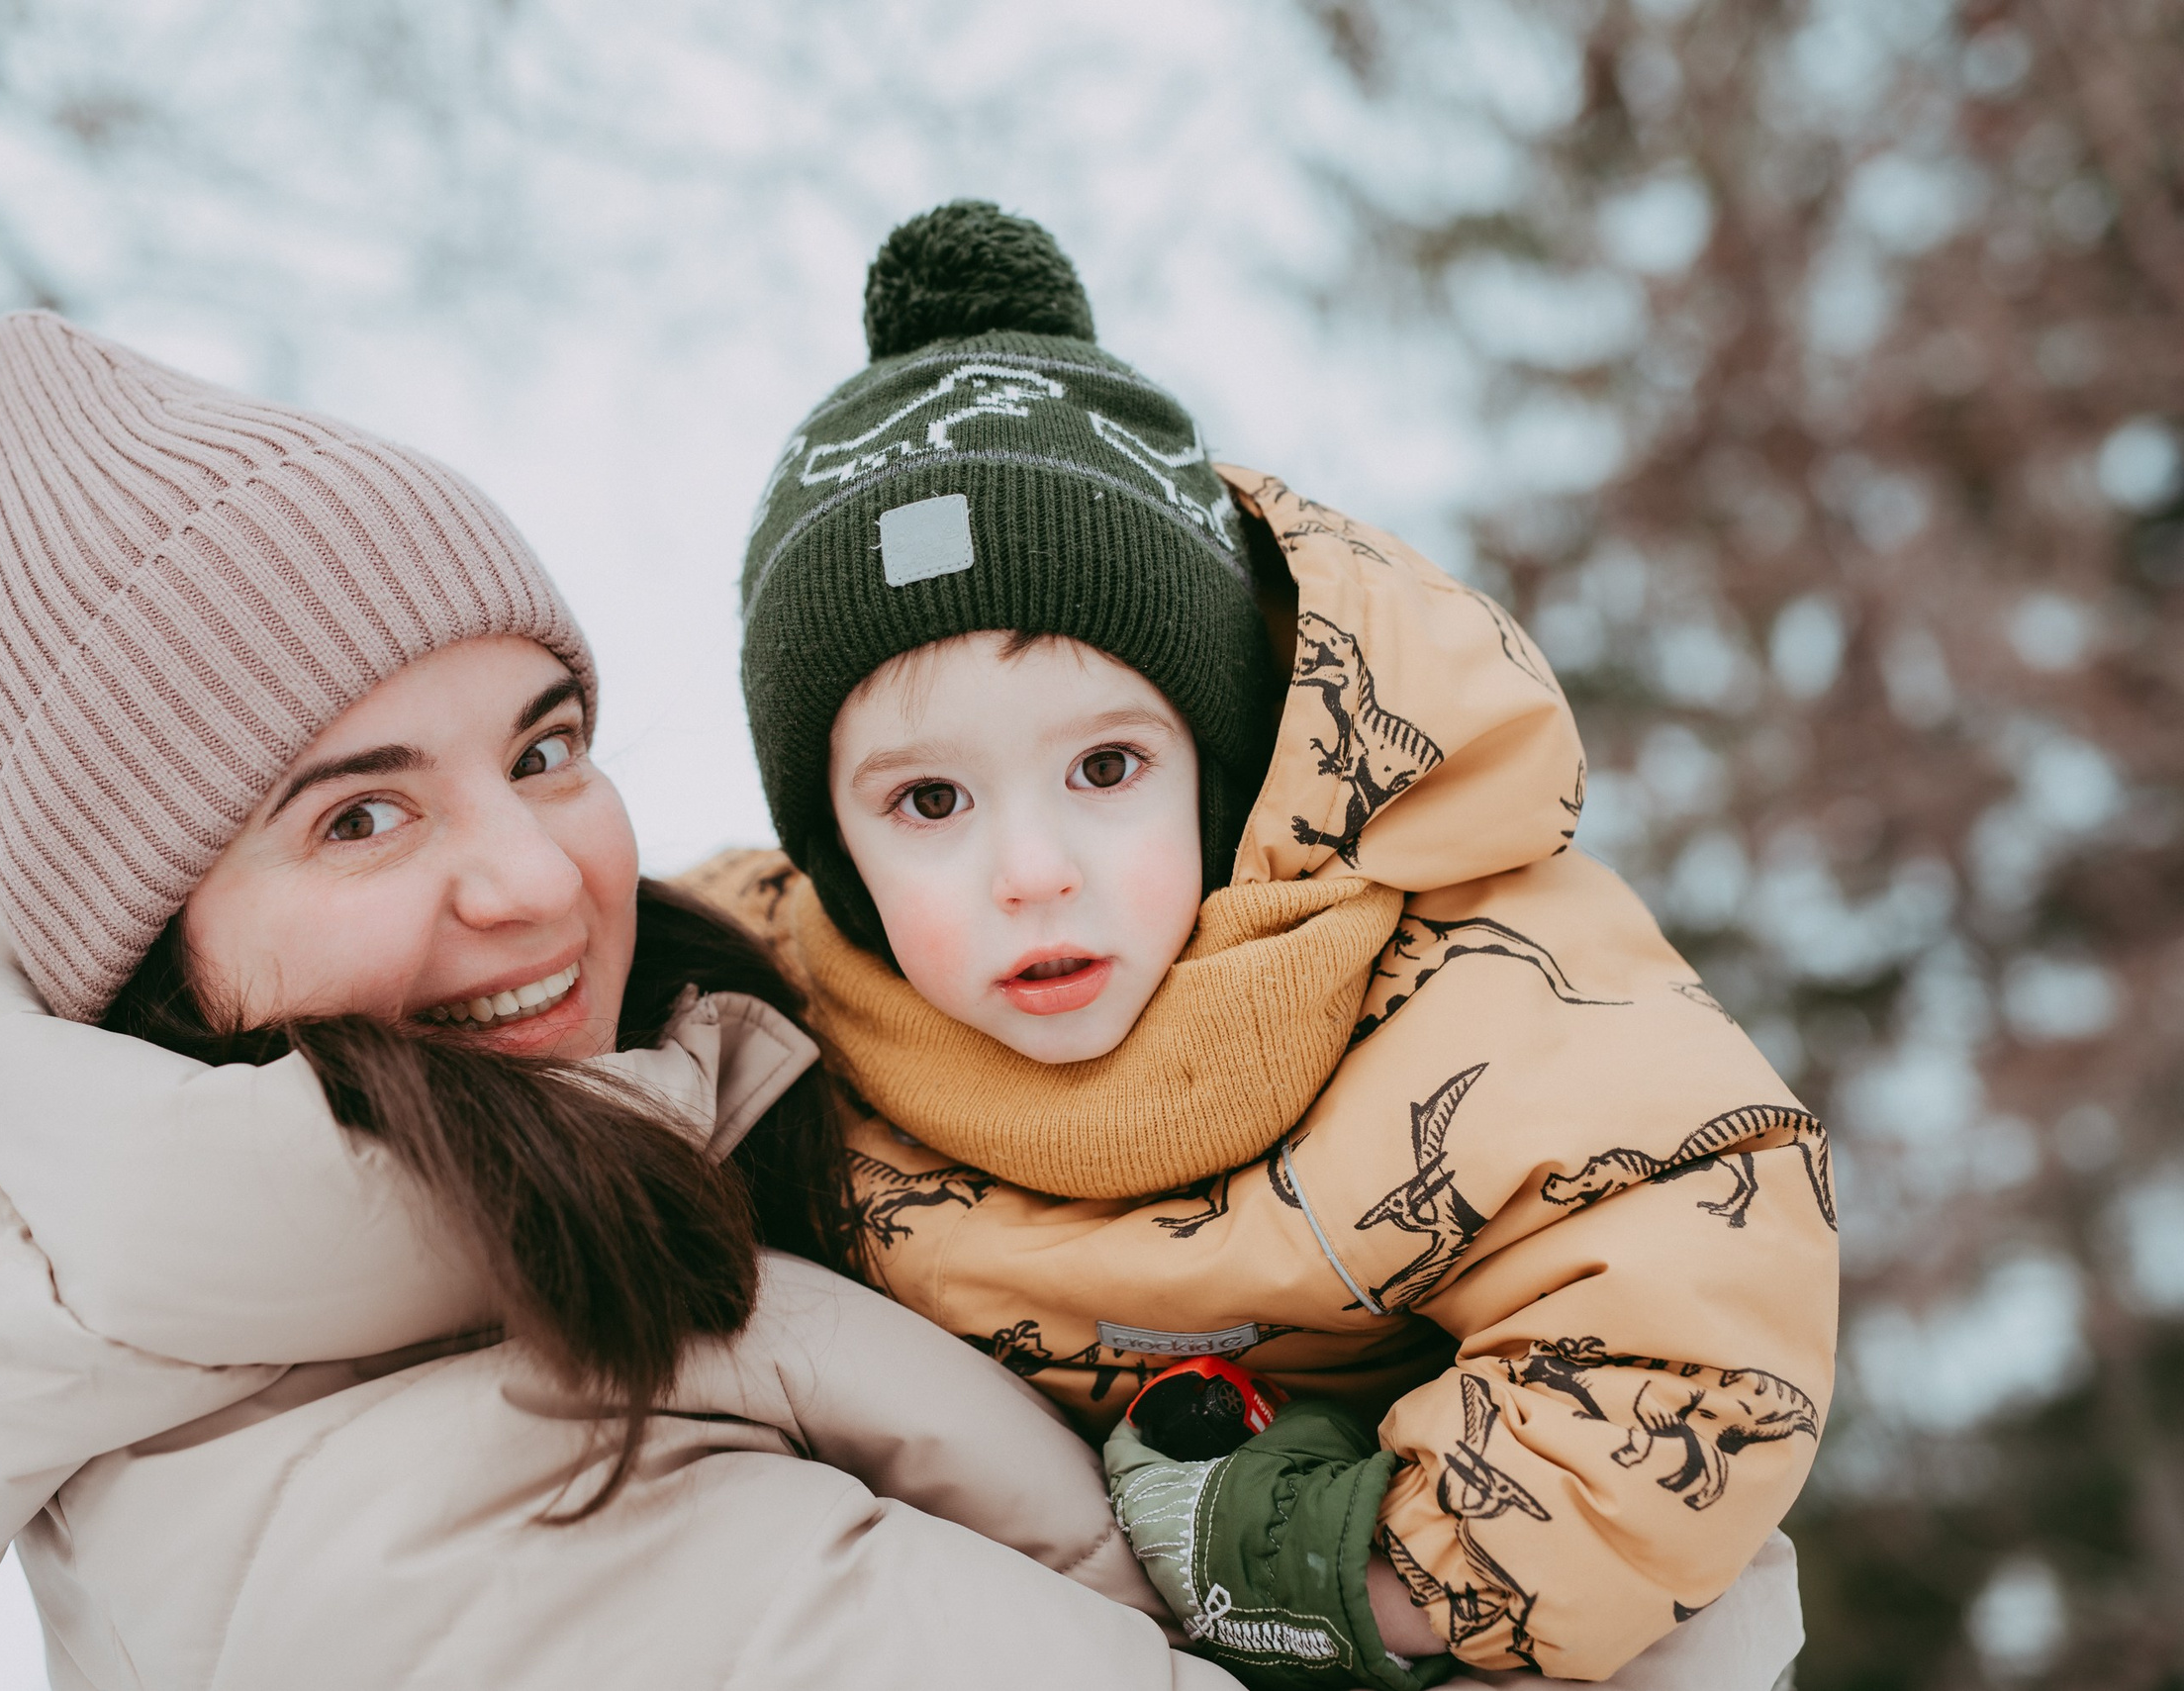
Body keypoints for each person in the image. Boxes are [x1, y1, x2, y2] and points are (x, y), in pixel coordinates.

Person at [0, 311, 1240, 1690]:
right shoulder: (454, 1544)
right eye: (359, 819)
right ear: (153, 962)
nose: (533, 879)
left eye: (541, 752)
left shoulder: (569, 1192)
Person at [686, 202, 1836, 1687]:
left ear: (1225, 772)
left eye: (1105, 770)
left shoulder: (1457, 977)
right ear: (834, 852)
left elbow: (1694, 1284)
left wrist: (1322, 1567)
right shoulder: (764, 1024)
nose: (1029, 873)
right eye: (929, 800)